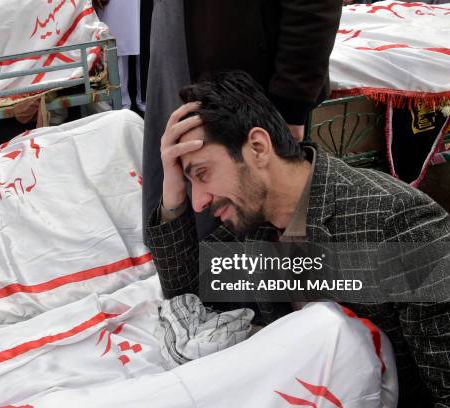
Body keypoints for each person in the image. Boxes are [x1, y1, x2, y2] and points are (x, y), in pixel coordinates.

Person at [144, 70, 450, 407]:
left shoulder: (397, 222)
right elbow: (188, 302)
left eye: (202, 175)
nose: (200, 201)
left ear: (258, 147)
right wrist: (173, 192)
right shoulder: (257, 221)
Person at [142, 0, 343, 237]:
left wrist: (291, 102)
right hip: (179, 52)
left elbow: (314, 8)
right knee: (188, 185)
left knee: (247, 210)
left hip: (245, 84)